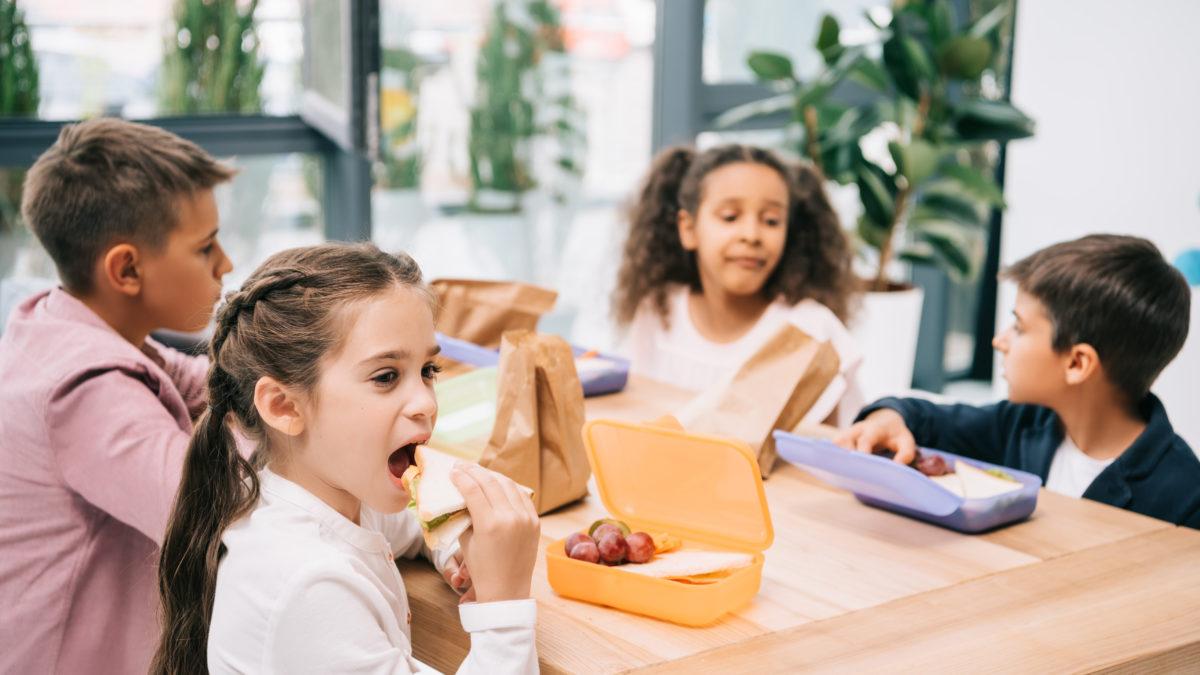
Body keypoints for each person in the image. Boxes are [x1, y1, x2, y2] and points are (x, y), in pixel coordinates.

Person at [152, 243, 541, 674]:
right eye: (386, 376)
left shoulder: (312, 491)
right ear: (285, 406)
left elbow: (397, 522)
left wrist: (451, 545)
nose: (425, 403)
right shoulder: (311, 584)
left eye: (428, 371)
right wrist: (505, 603)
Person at [0, 118, 237, 674]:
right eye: (206, 248)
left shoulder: (61, 325)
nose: (226, 264)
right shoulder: (82, 391)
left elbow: (215, 386)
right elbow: (216, 507)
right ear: (127, 268)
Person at [835, 234, 1199, 527]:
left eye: (1019, 327)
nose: (999, 341)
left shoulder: (1185, 496)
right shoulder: (1021, 426)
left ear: (1077, 363)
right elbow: (925, 418)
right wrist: (889, 419)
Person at [613, 143, 863, 426]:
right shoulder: (660, 308)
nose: (751, 235)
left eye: (771, 221)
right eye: (730, 217)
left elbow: (825, 456)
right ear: (688, 229)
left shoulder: (810, 330)